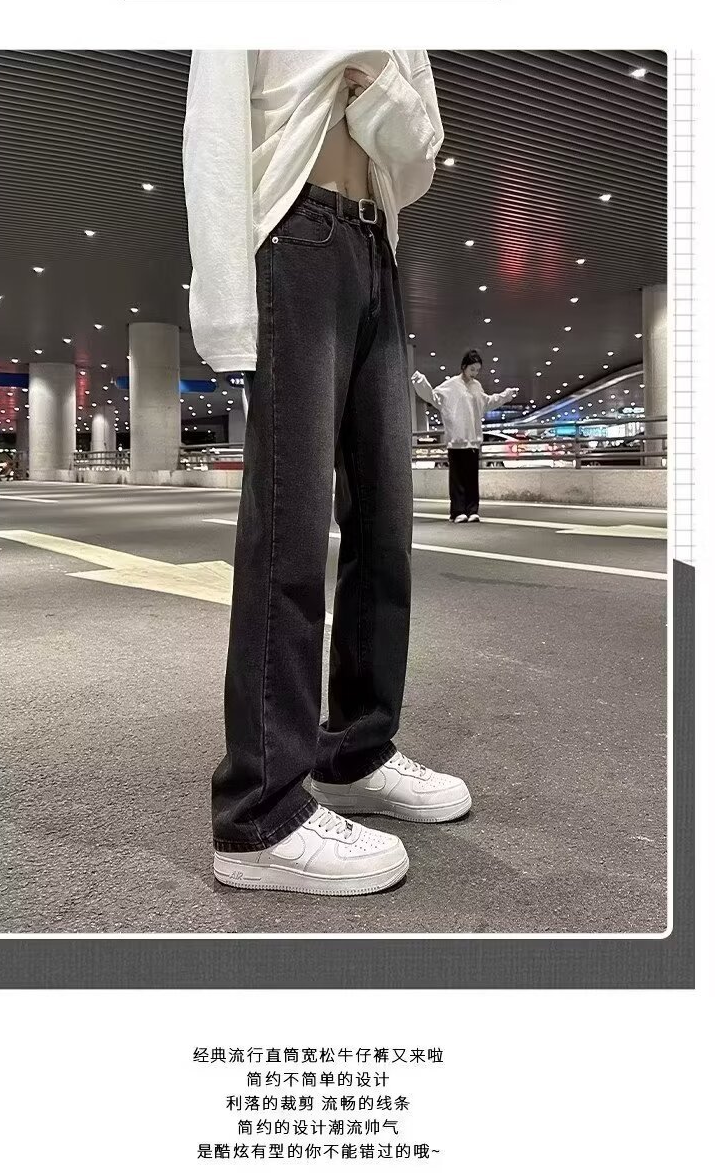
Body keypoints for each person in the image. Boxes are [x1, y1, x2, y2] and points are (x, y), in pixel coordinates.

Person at [183, 51, 472, 898]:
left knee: (387, 528)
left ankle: (356, 750)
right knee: (291, 527)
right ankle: (258, 814)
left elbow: (419, 159)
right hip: (294, 233)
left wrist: (377, 77)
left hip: (377, 249)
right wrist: (228, 315)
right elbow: (214, 130)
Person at [412, 351, 518, 522]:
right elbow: (433, 397)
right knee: (458, 478)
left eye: (477, 370)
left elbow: (487, 402)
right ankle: (457, 511)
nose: (474, 373)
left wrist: (506, 396)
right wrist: (420, 382)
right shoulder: (451, 385)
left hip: (473, 440)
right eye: (472, 369)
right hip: (456, 440)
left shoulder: (477, 386)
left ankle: (472, 510)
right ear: (464, 367)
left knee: (471, 478)